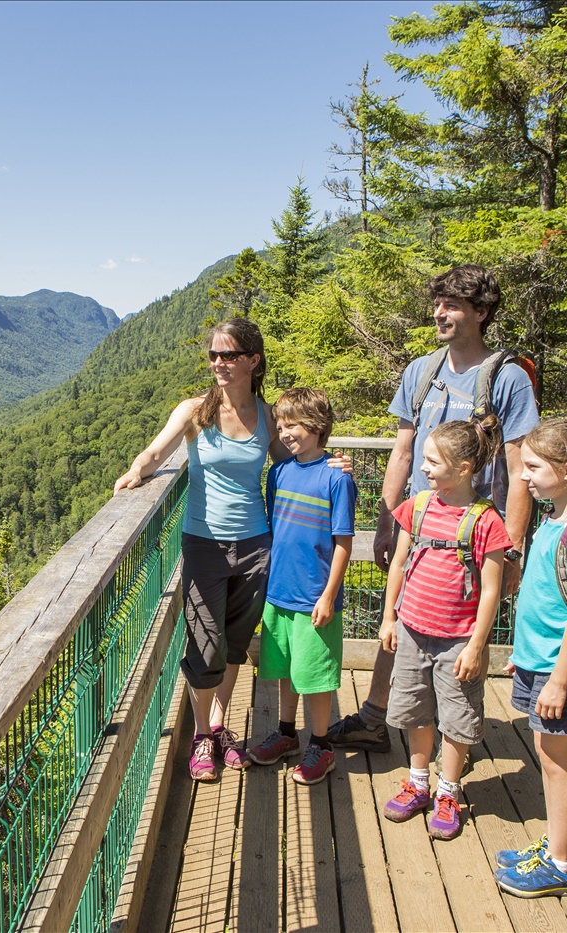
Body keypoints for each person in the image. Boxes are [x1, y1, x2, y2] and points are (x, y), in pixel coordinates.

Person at [328, 264, 539, 753]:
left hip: (475, 532)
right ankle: (377, 717)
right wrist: (387, 520)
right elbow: (402, 452)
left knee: (467, 631)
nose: (439, 313)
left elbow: (520, 466)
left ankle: (454, 741)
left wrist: (512, 549)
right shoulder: (421, 371)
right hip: (420, 524)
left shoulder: (508, 378)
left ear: (481, 312)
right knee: (404, 618)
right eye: (438, 303)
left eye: (452, 305)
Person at [115, 317, 286, 781]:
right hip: (204, 543)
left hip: (256, 545)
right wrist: (136, 473)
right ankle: (200, 737)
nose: (218, 363)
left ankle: (216, 729)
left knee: (232, 645)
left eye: (228, 355)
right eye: (213, 355)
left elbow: (293, 464)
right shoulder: (195, 411)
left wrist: (332, 464)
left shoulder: (267, 415)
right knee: (204, 643)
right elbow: (154, 453)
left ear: (253, 360)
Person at [493, 418, 567, 897]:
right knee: (548, 757)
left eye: (533, 467)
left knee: (558, 763)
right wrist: (524, 658)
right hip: (539, 662)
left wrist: (559, 680)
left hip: (562, 671)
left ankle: (563, 864)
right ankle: (556, 843)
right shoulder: (552, 520)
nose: (523, 476)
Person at [377, 419, 510, 839]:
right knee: (415, 707)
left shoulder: (486, 521)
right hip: (414, 630)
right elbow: (398, 564)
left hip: (458, 639)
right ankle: (418, 782)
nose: (424, 468)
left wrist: (477, 645)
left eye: (433, 461)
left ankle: (448, 791)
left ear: (466, 467)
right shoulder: (417, 507)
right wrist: (388, 617)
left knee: (457, 716)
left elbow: (491, 590)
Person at [246, 388, 356, 786]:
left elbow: (343, 541)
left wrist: (328, 595)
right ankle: (287, 734)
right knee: (286, 670)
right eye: (280, 424)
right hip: (279, 592)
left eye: (291, 425)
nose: (283, 432)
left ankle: (322, 745)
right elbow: (276, 529)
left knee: (316, 674)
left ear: (316, 426)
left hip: (314, 596)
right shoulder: (278, 472)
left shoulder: (337, 478)